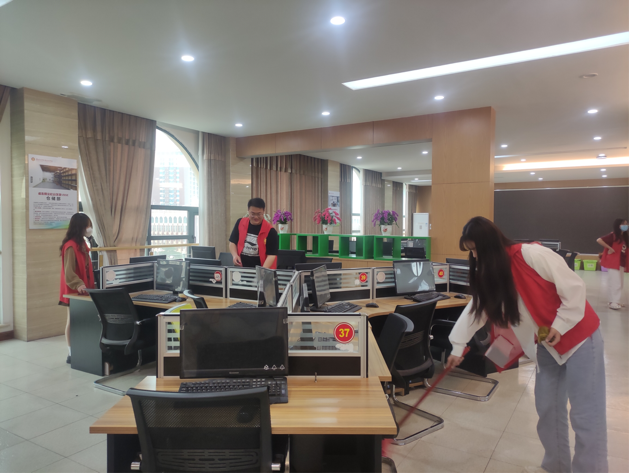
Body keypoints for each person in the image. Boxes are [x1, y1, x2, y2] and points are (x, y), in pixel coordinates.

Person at [446, 217, 606, 473]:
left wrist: (561, 325)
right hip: (547, 344)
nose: (474, 256)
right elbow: (477, 310)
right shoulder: (493, 272)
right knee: (548, 410)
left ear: (490, 244)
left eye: (476, 249)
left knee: (586, 415)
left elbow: (575, 287)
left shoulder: (532, 254)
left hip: (580, 338)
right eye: (470, 251)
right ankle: (556, 467)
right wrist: (457, 346)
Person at [59, 213, 96, 364]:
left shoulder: (82, 244)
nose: (89, 228)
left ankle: (81, 349)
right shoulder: (70, 246)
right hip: (74, 290)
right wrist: (79, 284)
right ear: (81, 226)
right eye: (88, 225)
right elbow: (69, 272)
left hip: (84, 289)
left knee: (81, 320)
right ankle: (71, 353)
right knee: (72, 320)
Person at [229, 198, 278, 269]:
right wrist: (235, 255)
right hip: (241, 268)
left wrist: (262, 271)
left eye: (259, 214)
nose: (256, 217)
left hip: (262, 269)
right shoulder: (240, 223)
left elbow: (271, 255)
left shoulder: (270, 231)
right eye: (253, 214)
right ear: (248, 210)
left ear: (263, 211)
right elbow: (232, 242)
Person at [597, 218, 628, 310]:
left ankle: (614, 301)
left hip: (621, 262)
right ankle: (614, 302)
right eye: (624, 224)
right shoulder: (613, 235)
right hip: (614, 262)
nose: (626, 226)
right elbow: (599, 240)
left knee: (619, 283)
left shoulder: (624, 237)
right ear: (618, 225)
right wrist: (610, 248)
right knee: (615, 283)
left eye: (626, 224)